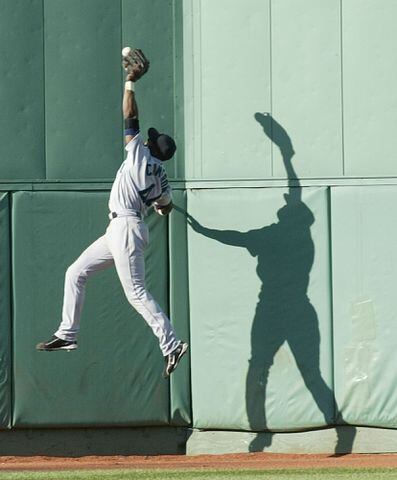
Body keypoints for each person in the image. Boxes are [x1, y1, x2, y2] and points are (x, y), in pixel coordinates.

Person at [36, 48, 188, 379]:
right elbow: (166, 206)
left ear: (150, 147)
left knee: (136, 293)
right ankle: (67, 334)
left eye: (148, 140)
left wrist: (130, 83)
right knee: (75, 272)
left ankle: (171, 343)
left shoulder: (138, 156)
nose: (143, 139)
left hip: (126, 228)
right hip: (123, 229)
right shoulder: (161, 175)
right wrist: (160, 208)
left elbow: (130, 116)